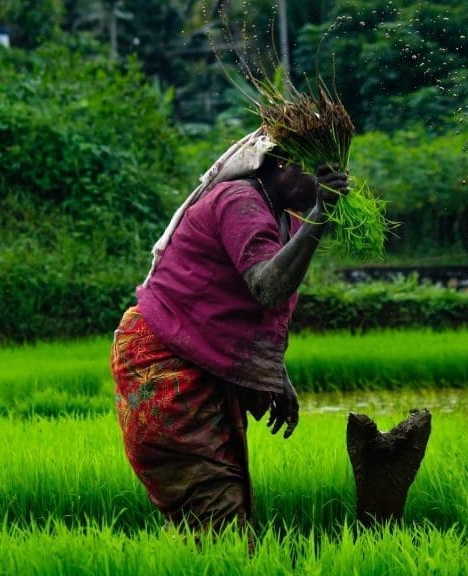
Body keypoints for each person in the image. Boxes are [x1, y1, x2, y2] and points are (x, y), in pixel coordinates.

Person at [109, 128, 348, 534]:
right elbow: (266, 286)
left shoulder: (279, 215)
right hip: (165, 364)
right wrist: (321, 215)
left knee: (217, 515)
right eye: (320, 171)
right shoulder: (239, 200)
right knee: (217, 517)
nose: (329, 181)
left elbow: (240, 311)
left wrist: (275, 375)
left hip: (195, 361)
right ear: (286, 163)